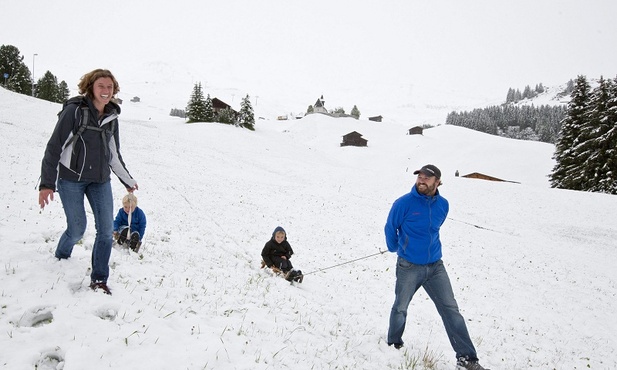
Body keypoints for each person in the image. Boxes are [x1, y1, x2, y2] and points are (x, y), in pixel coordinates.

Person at [38, 69, 138, 296]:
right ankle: (62, 255)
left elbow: (113, 153)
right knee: (77, 229)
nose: (106, 91)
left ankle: (99, 279)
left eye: (110, 87)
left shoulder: (112, 117)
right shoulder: (74, 111)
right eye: (101, 86)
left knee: (105, 231)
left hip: (100, 181)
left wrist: (127, 180)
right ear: (90, 87)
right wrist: (47, 184)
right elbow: (54, 147)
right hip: (71, 179)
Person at [384, 164, 489, 370]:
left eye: (427, 178)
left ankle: (467, 358)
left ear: (437, 182)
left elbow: (434, 228)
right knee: (401, 307)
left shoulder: (443, 205)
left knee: (451, 310)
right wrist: (397, 247)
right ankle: (394, 341)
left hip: (435, 267)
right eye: (420, 176)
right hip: (409, 266)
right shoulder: (403, 203)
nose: (421, 180)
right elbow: (390, 227)